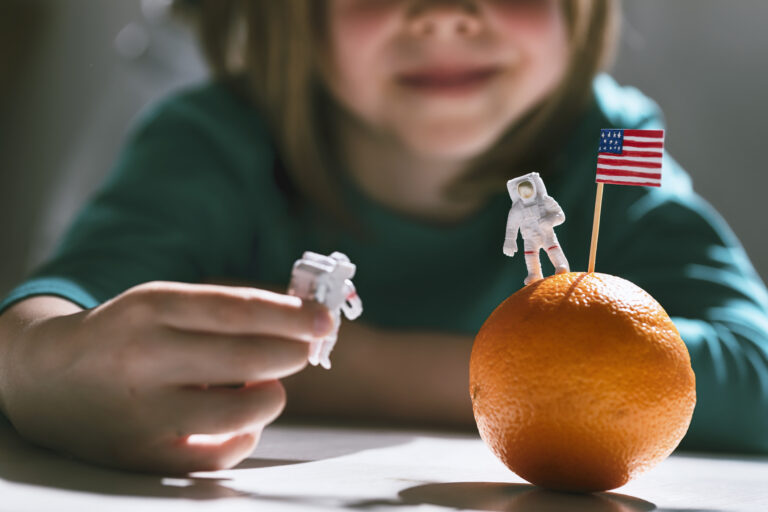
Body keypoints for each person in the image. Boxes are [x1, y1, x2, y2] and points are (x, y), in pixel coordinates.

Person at [0, 0, 766, 474]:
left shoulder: (609, 150)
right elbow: (52, 314)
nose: (443, 14)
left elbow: (758, 374)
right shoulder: (211, 143)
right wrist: (39, 366)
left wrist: (355, 370)